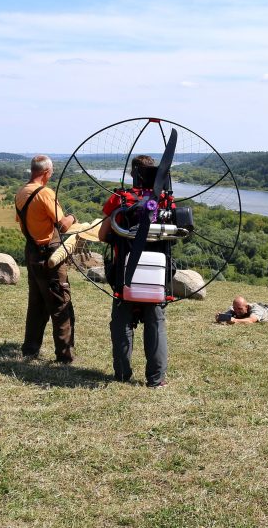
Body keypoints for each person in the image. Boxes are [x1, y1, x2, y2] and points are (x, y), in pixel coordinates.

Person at [98, 155, 169, 387]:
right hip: (156, 274)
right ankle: (156, 380)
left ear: (133, 174)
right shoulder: (165, 201)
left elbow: (101, 235)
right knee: (155, 322)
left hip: (124, 274)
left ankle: (121, 374)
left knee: (121, 322)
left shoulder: (120, 199)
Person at [15, 155, 77, 363]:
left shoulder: (22, 192)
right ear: (46, 173)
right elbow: (62, 225)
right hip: (49, 253)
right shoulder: (45, 193)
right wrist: (72, 217)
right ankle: (64, 355)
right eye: (51, 172)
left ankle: (30, 349)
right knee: (60, 303)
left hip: (31, 252)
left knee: (37, 303)